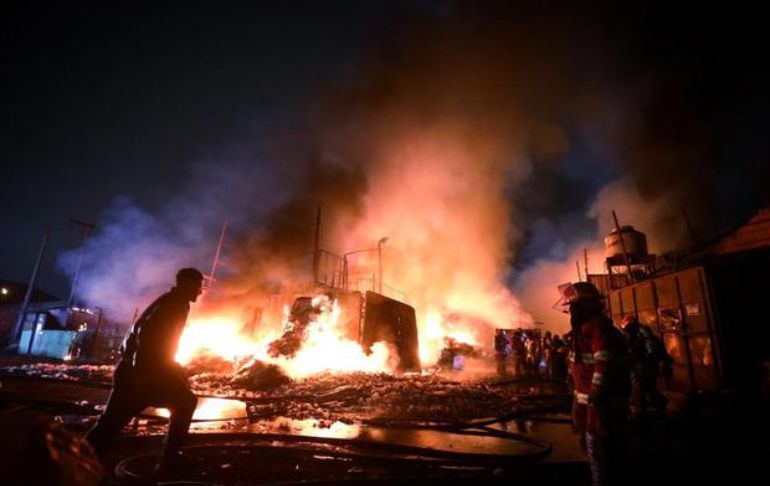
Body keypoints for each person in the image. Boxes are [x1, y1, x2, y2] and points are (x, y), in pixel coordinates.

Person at [86, 268, 204, 473]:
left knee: (108, 426)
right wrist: (144, 374)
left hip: (139, 372)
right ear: (186, 284)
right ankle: (169, 460)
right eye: (197, 285)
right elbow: (147, 339)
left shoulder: (172, 301)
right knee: (185, 402)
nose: (200, 291)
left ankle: (74, 457)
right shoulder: (172, 305)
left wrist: (173, 368)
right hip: (142, 375)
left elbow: (154, 343)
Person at [561, 282, 630, 486]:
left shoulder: (596, 325)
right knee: (588, 442)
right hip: (585, 398)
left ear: (584, 306)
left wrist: (597, 391)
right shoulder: (582, 328)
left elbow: (604, 359)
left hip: (598, 400)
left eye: (572, 306)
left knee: (598, 448)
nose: (570, 311)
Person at [621, 315, 671, 416]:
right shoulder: (648, 334)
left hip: (637, 369)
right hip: (652, 367)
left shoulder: (628, 335)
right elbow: (660, 351)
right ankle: (659, 411)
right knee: (650, 388)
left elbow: (624, 351)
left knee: (638, 393)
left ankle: (640, 417)